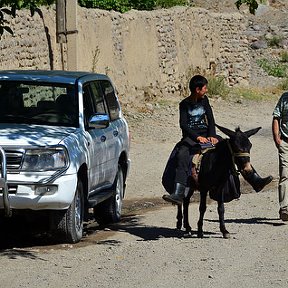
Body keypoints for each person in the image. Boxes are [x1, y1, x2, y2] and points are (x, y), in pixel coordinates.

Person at [162, 74, 273, 206]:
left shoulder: (205, 101)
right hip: (191, 138)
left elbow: (211, 119)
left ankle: (255, 179)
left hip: (207, 135)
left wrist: (212, 136)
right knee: (181, 155)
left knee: (232, 148)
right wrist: (197, 137)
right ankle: (179, 193)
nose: (206, 90)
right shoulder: (184, 104)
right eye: (204, 88)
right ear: (197, 89)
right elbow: (183, 125)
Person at [272, 91, 288, 221]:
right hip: (285, 143)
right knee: (284, 174)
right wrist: (277, 138)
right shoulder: (284, 97)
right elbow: (276, 117)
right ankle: (284, 208)